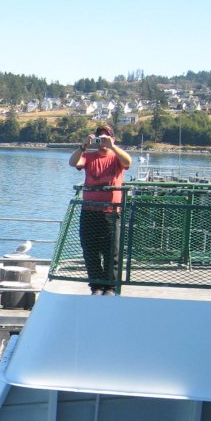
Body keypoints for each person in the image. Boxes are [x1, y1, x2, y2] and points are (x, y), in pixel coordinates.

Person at [68, 124, 132, 295]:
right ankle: (96, 286)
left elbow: (128, 162)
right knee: (90, 250)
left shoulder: (116, 157)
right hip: (89, 211)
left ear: (113, 138)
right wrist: (83, 146)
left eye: (106, 137)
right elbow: (72, 162)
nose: (102, 140)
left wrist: (113, 147)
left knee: (112, 251)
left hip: (111, 212)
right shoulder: (89, 157)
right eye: (99, 137)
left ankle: (110, 287)